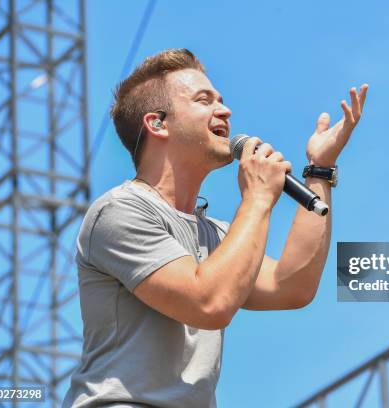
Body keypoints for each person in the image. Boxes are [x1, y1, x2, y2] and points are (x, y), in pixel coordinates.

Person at [62, 48, 368, 408]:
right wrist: (256, 199)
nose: (225, 111)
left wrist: (319, 169)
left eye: (221, 100)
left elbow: (292, 286)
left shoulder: (216, 236)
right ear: (157, 123)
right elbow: (209, 303)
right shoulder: (119, 211)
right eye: (203, 100)